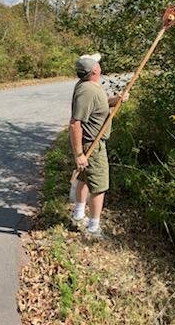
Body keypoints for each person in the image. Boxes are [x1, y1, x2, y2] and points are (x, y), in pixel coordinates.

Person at [69, 53, 129, 239]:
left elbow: (99, 106)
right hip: (92, 146)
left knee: (84, 179)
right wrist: (79, 153)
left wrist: (116, 100)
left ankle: (78, 214)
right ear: (95, 70)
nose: (100, 64)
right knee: (99, 186)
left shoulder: (90, 87)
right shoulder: (87, 90)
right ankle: (93, 228)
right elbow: (75, 123)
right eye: (98, 63)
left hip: (90, 145)